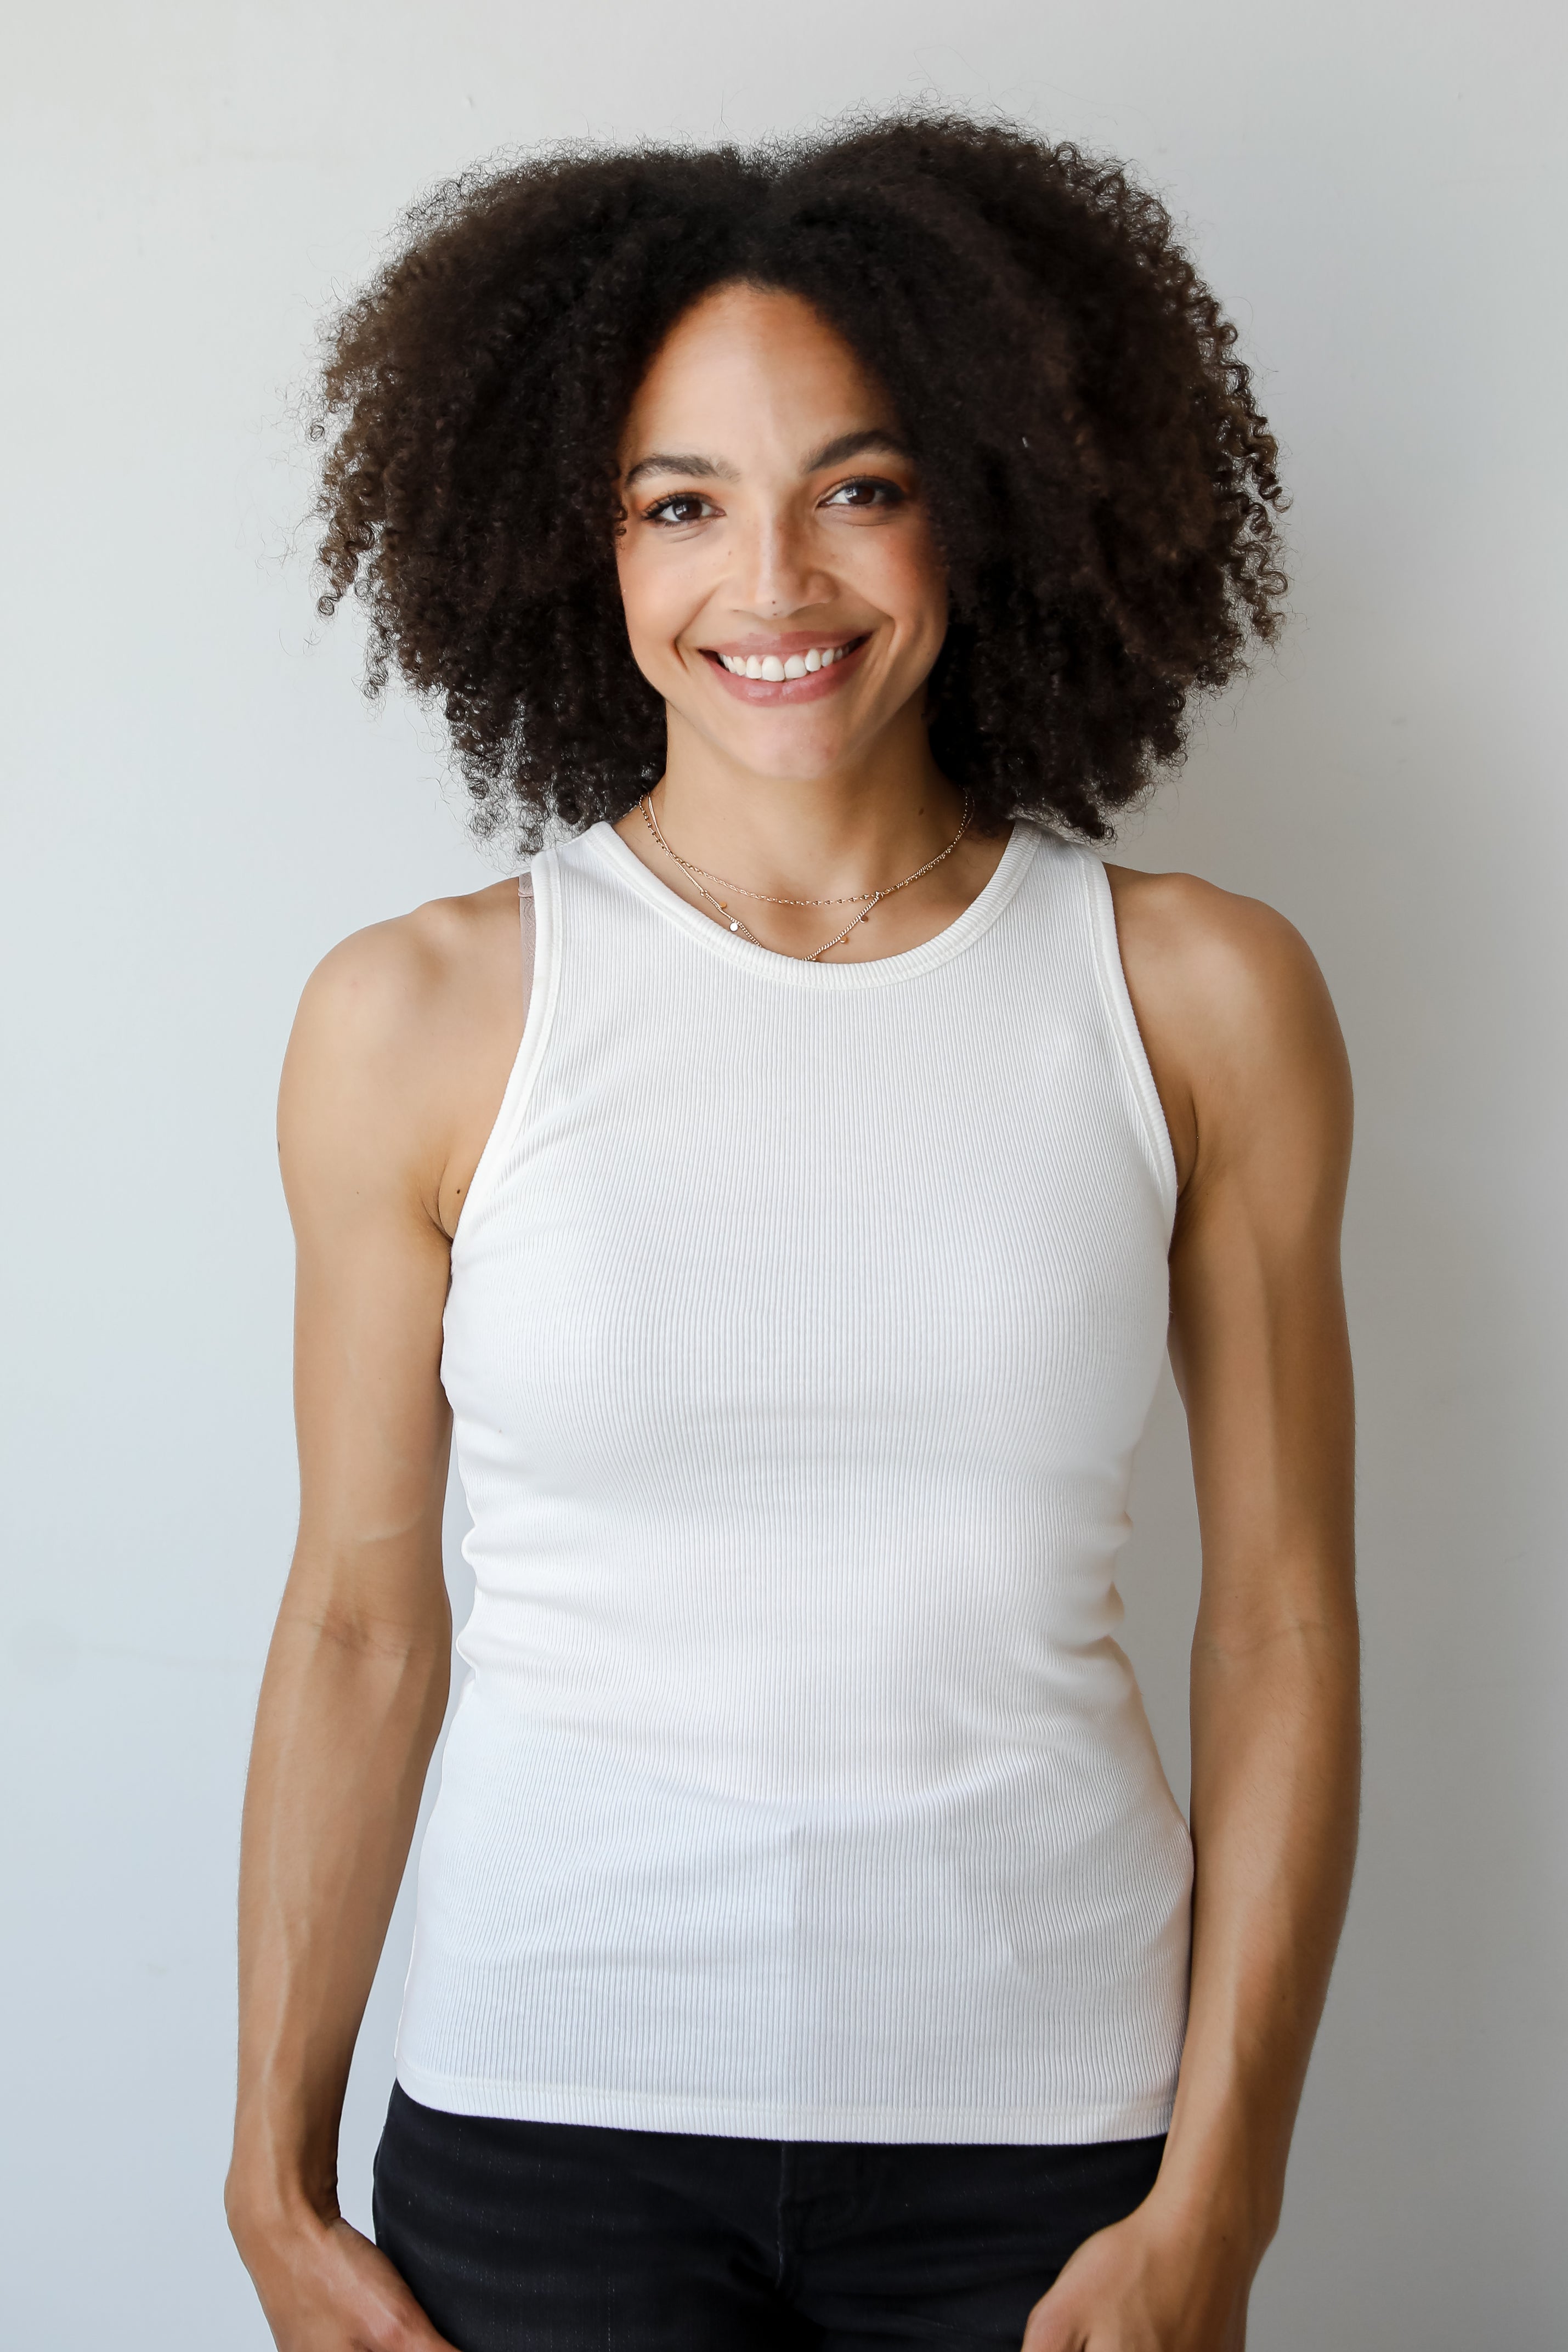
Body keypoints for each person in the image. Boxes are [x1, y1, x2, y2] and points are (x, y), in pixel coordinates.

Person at [224, 115, 1360, 2352]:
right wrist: (270, 2175)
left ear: (987, 498)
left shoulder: (1195, 993)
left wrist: (1219, 2195)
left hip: (1056, 2148)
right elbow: (363, 1621)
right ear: (581, 540)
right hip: (544, 2126)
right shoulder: (418, 1015)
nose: (774, 582)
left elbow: (1285, 1630)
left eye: (858, 485)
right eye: (682, 502)